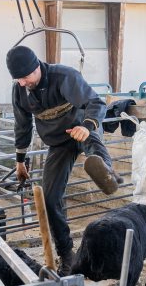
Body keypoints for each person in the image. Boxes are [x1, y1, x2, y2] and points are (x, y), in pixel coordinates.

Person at [8, 45, 121, 273]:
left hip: (80, 127)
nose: (22, 82)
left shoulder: (64, 76)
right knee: (50, 199)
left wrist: (88, 126)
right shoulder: (19, 90)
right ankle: (66, 253)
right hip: (58, 143)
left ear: (37, 66)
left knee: (92, 143)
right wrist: (20, 161)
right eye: (18, 78)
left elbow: (95, 102)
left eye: (26, 76)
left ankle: (107, 173)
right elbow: (22, 126)